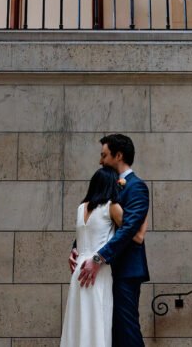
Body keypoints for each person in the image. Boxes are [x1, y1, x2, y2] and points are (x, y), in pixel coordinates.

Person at [70, 134, 150, 347]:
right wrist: (77, 247)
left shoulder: (137, 187)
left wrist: (99, 257)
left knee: (126, 330)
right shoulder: (108, 185)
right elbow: (97, 222)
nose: (100, 161)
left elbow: (129, 230)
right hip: (104, 272)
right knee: (105, 331)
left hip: (125, 270)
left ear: (119, 155)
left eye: (104, 155)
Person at [60, 166, 121, 347]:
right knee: (98, 317)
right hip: (98, 268)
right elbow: (129, 231)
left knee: (78, 319)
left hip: (79, 267)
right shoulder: (111, 207)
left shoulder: (81, 208)